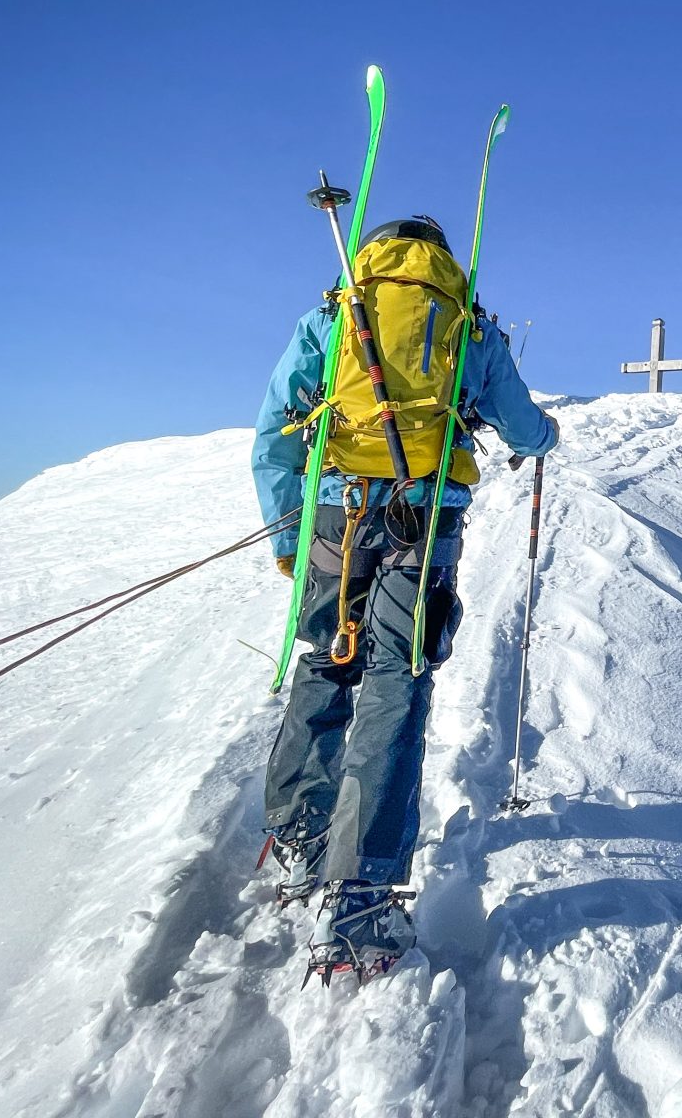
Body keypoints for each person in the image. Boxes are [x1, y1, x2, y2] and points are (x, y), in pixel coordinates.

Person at [250, 214, 556, 981]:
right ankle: (360, 894)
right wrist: (543, 437)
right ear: (443, 258)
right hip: (422, 523)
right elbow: (520, 423)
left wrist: (289, 535)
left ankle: (300, 837)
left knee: (329, 657)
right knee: (396, 675)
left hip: (332, 515)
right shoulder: (468, 325)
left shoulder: (337, 311)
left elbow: (274, 429)